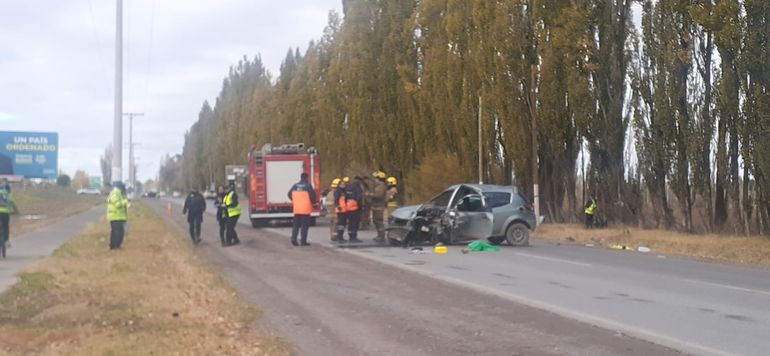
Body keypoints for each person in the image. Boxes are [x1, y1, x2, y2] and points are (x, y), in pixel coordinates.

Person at [287, 173, 318, 246]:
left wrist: (295, 200)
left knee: (296, 225)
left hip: (297, 209)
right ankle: (303, 241)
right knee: (304, 226)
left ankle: (293, 238)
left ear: (301, 177)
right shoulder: (308, 186)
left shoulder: (295, 185)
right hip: (305, 209)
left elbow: (289, 194)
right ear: (307, 178)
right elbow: (312, 195)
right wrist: (314, 203)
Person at [338, 177, 363, 243]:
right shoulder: (358, 189)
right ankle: (353, 237)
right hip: (355, 209)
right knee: (354, 223)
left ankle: (342, 236)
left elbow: (344, 199)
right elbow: (359, 199)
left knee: (348, 223)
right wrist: (361, 208)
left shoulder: (346, 189)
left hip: (347, 209)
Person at [107, 182, 128, 250]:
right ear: (120, 187)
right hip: (115, 216)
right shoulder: (115, 193)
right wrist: (125, 201)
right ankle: (116, 247)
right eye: (123, 188)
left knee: (116, 232)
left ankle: (113, 246)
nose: (124, 189)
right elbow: (118, 205)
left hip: (117, 216)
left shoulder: (117, 193)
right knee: (118, 232)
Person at [370, 171, 388, 242]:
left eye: (375, 178)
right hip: (376, 206)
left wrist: (370, 194)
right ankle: (379, 235)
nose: (374, 180)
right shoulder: (378, 186)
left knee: (378, 221)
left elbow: (378, 195)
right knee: (376, 221)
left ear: (379, 178)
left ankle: (381, 236)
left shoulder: (381, 186)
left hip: (379, 206)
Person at [0, 182, 18, 251]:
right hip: (5, 213)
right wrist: (16, 212)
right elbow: (12, 203)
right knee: (5, 226)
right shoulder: (7, 195)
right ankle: (6, 241)